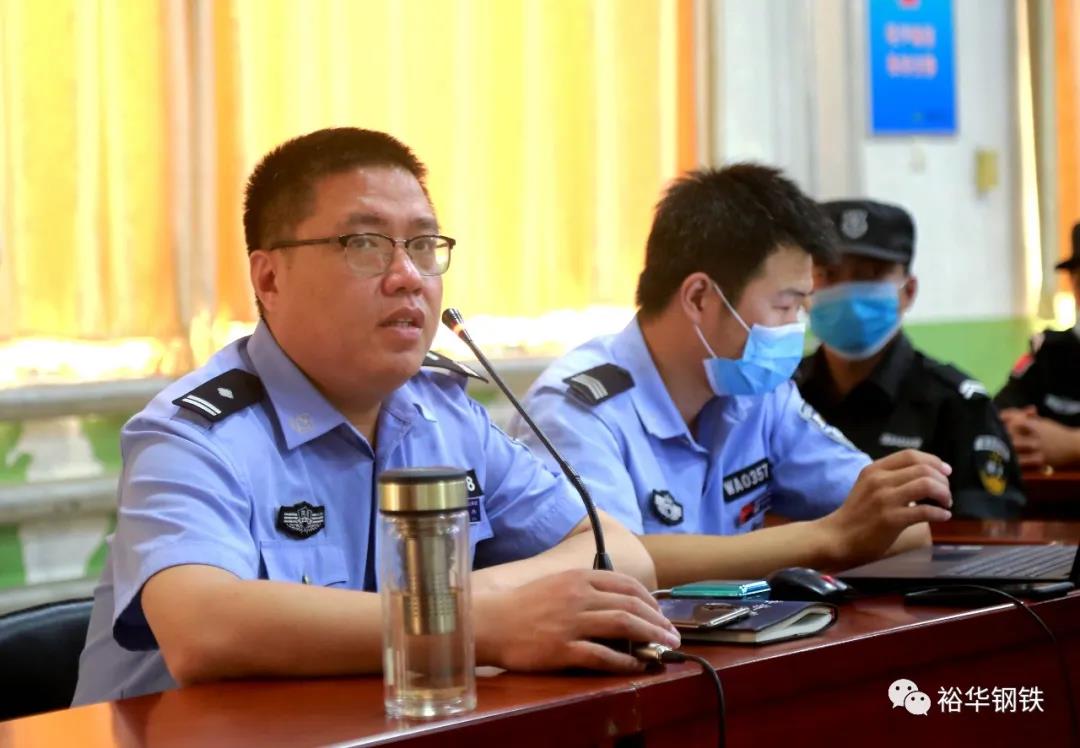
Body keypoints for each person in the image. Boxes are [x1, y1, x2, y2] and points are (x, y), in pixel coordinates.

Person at [72, 128, 677, 706]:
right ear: (269, 278)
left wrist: (468, 603)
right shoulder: (191, 436)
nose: (408, 277)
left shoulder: (442, 414)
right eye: (364, 244)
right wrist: (475, 620)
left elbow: (620, 553)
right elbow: (203, 630)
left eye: (423, 245)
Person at [511, 165, 952, 589]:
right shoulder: (574, 410)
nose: (796, 328)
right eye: (784, 306)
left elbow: (903, 525)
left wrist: (844, 529)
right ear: (699, 298)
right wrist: (827, 538)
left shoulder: (757, 392)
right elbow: (610, 563)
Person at [796, 200, 1026, 519]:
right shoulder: (781, 394)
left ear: (909, 291)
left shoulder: (955, 405)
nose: (847, 290)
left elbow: (989, 529)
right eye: (829, 274)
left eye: (869, 275)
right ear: (803, 289)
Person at [995, 222, 1080, 470]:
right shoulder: (1050, 353)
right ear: (1074, 285)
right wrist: (1016, 430)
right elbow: (999, 414)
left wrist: (1072, 444)